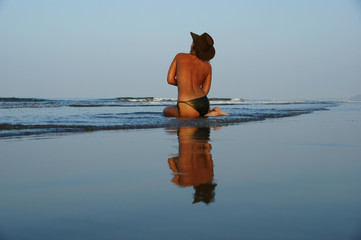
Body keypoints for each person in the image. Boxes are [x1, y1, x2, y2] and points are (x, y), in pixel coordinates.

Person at [163, 32, 229, 118]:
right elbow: (205, 91)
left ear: (193, 45)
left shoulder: (180, 56)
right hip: (204, 103)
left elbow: (170, 80)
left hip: (187, 104)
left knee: (165, 111)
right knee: (197, 118)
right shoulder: (207, 66)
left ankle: (210, 112)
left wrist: (185, 84)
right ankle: (211, 111)